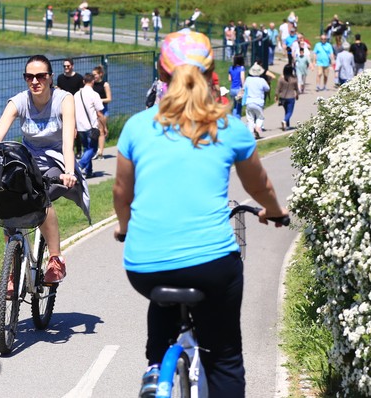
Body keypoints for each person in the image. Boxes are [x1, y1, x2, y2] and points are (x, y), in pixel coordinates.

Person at [113, 30, 288, 398]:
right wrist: (275, 212)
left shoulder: (137, 126)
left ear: (162, 76)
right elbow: (260, 188)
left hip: (143, 265)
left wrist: (125, 227)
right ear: (212, 76)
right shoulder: (229, 126)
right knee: (224, 358)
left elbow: (121, 192)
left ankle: (154, 366)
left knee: (163, 288)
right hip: (212, 266)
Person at [0, 55, 91, 284]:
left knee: (40, 199)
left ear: (50, 78)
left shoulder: (64, 99)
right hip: (28, 162)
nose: (35, 81)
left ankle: (56, 259)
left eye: (40, 76)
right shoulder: (19, 101)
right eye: (29, 77)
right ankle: (12, 270)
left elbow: (68, 141)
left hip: (56, 162)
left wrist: (69, 171)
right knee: (9, 202)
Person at [74, 73, 106, 178]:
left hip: (80, 126)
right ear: (93, 82)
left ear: (83, 81)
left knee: (86, 148)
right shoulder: (94, 95)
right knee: (92, 149)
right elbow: (100, 113)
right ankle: (79, 165)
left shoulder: (76, 94)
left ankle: (89, 171)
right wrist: (104, 127)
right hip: (91, 126)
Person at [243, 63, 270, 140]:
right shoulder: (262, 80)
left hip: (249, 102)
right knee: (260, 117)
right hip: (258, 102)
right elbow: (267, 88)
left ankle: (250, 134)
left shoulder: (248, 79)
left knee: (250, 119)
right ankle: (257, 127)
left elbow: (244, 88)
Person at [92, 65, 112, 159]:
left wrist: (99, 100)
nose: (94, 77)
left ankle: (100, 152)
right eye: (93, 75)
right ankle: (94, 150)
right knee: (94, 131)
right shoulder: (91, 84)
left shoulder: (105, 84)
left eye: (95, 75)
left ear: (100, 74)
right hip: (94, 110)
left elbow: (109, 99)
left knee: (101, 131)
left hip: (103, 110)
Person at [276, 65, 299, 130]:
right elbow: (296, 88)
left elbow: (278, 88)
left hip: (282, 97)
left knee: (286, 111)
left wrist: (276, 95)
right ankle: (284, 120)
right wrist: (297, 94)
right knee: (290, 112)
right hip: (291, 97)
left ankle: (287, 125)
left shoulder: (281, 78)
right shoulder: (294, 79)